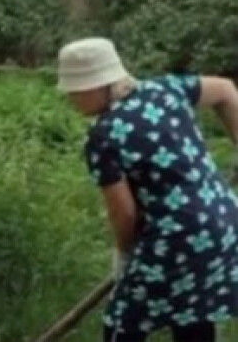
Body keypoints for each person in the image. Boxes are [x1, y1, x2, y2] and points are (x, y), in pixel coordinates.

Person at [57, 37, 238, 342]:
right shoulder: (165, 88)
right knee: (194, 310)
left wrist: (125, 253)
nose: (72, 99)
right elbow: (226, 91)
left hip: (178, 236)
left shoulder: (103, 136)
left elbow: (123, 212)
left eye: (75, 91)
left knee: (124, 323)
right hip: (224, 222)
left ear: (97, 85)